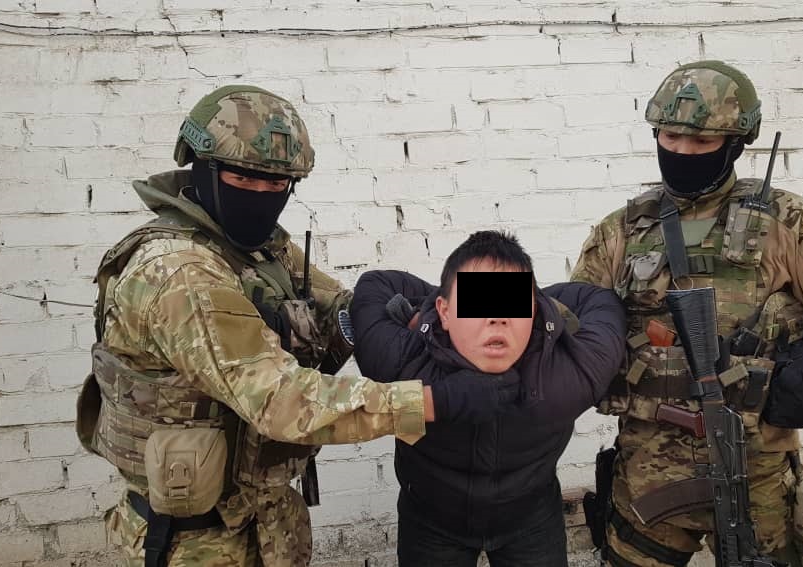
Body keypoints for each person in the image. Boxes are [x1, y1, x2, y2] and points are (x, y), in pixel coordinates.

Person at [74, 85, 519, 567]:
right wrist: (435, 401)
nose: (262, 196)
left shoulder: (258, 249)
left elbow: (341, 307)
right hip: (196, 542)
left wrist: (433, 313)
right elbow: (280, 400)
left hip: (265, 520)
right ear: (201, 166)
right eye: (244, 178)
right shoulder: (180, 274)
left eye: (278, 185)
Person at [570, 61, 803, 567]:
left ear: (736, 143)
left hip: (757, 477)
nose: (682, 151)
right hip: (645, 476)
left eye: (702, 141)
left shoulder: (793, 225)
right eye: (669, 136)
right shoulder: (618, 232)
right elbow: (571, 338)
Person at [348, 230, 629, 567]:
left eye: (513, 303)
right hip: (431, 521)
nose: (497, 318)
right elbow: (374, 285)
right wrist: (434, 312)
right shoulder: (404, 360)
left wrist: (532, 303)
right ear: (444, 312)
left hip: (531, 520)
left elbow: (600, 301)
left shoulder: (570, 373)